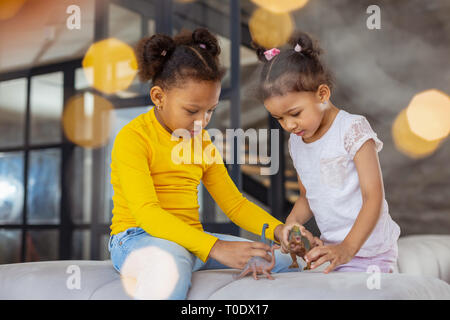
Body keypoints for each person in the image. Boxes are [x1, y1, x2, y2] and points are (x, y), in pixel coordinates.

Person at [108, 28, 295, 300]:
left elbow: (235, 204)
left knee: (283, 260)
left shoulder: (202, 142)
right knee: (168, 266)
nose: (203, 121)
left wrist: (279, 231)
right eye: (192, 110)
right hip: (136, 238)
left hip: (190, 239)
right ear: (159, 97)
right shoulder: (133, 137)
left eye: (210, 110)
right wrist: (215, 247)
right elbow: (148, 213)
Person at [253, 31, 401, 274]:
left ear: (322, 94)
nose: (289, 125)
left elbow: (372, 197)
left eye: (295, 113)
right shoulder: (297, 141)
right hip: (332, 252)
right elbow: (306, 197)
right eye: (279, 118)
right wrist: (291, 224)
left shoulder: (352, 128)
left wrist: (347, 248)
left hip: (370, 253)